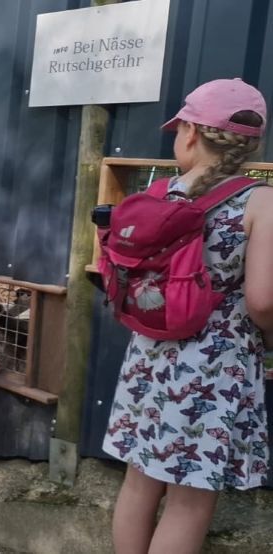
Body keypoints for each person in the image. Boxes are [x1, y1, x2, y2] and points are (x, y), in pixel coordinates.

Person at [103, 78, 271, 553]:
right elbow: (262, 301)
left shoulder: (161, 194)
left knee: (138, 484)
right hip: (215, 368)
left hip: (150, 355)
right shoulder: (261, 202)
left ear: (192, 133)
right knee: (190, 502)